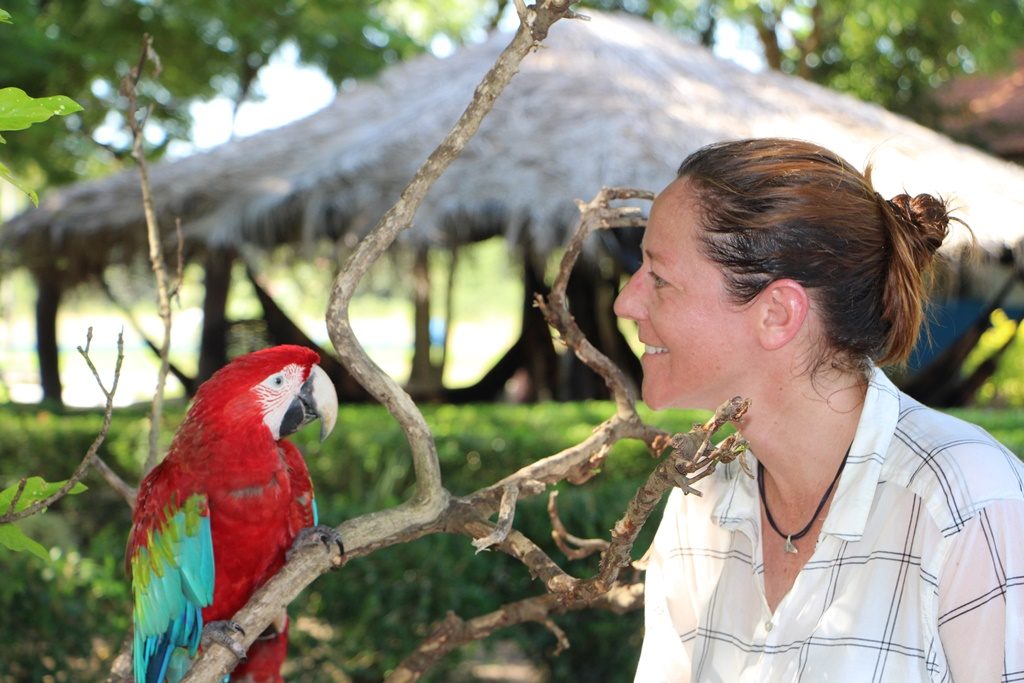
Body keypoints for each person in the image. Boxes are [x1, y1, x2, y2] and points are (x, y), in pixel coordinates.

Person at [614, 138, 1024, 681]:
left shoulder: (965, 504)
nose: (626, 301)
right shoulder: (702, 502)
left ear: (778, 314)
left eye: (659, 278)